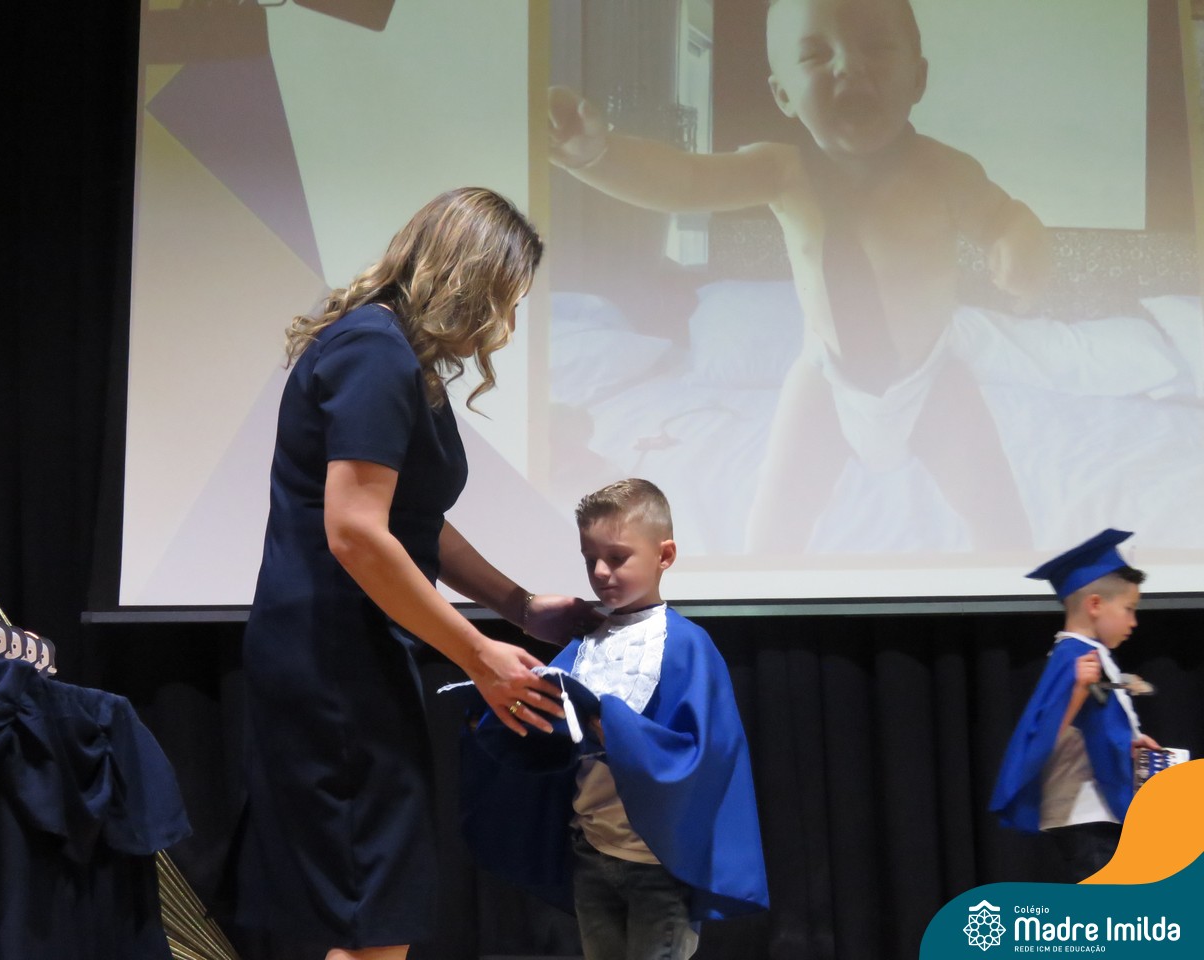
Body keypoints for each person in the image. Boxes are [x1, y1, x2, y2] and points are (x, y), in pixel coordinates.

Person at [229, 187, 601, 960]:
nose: (506, 321)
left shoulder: (391, 353)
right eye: (507, 297)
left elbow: (410, 519)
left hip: (348, 653)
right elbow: (358, 534)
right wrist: (481, 656)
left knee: (372, 911)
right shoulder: (376, 352)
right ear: (471, 278)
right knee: (372, 912)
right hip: (332, 659)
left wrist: (518, 605)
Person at [547, 0, 1050, 554]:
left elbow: (1004, 216)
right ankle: (764, 597)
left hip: (931, 380)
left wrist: (1019, 241)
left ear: (918, 78)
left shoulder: (946, 171)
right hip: (826, 381)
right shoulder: (782, 171)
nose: (849, 66)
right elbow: (686, 180)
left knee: (1002, 524)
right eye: (815, 55)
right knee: (774, 529)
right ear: (783, 94)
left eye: (877, 47)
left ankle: (1014, 599)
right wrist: (596, 154)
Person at [457, 479, 769, 960]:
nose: (601, 572)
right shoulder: (585, 644)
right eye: (591, 559)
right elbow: (548, 719)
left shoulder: (688, 646)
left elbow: (704, 756)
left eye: (618, 557)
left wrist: (612, 725)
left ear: (665, 556)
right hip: (592, 852)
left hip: (657, 864)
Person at [989, 528, 1163, 882]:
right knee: (1107, 905)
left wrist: (1131, 743)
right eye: (1129, 609)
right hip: (1086, 812)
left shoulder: (1091, 654)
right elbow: (1044, 732)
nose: (1134, 622)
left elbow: (1092, 726)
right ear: (1095, 605)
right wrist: (1077, 692)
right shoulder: (1072, 656)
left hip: (1099, 811)